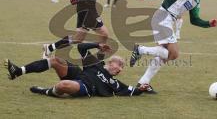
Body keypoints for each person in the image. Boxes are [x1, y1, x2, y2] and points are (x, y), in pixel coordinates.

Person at [130, 0, 217, 93]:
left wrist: (208, 23)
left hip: (168, 21)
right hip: (163, 16)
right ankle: (140, 50)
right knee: (174, 54)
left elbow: (194, 20)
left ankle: (143, 83)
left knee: (163, 56)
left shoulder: (196, 0)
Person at [5, 42, 149, 97]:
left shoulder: (115, 83)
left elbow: (132, 90)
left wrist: (141, 89)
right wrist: (97, 45)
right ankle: (18, 71)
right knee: (57, 60)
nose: (119, 69)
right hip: (79, 75)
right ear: (110, 63)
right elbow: (81, 47)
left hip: (85, 87)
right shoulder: (96, 64)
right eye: (119, 65)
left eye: (121, 68)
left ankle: (46, 91)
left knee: (63, 85)